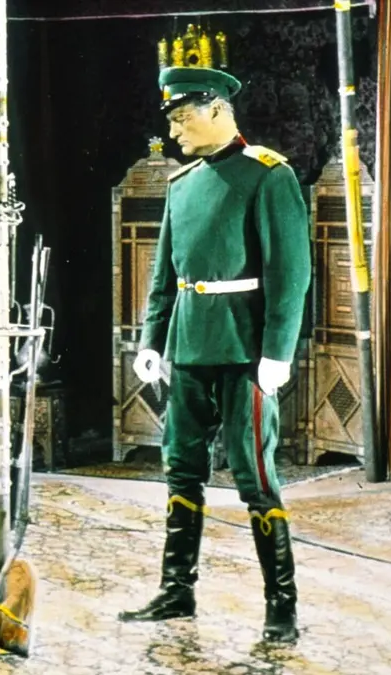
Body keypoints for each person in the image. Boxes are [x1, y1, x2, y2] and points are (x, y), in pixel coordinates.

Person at [117, 66, 311, 645]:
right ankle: (176, 591)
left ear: (218, 110)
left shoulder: (268, 175)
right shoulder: (181, 185)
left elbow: (290, 271)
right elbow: (164, 276)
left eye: (183, 118)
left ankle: (281, 605)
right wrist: (152, 342)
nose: (174, 131)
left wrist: (278, 350)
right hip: (189, 346)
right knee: (181, 467)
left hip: (244, 349)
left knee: (255, 475)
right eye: (172, 120)